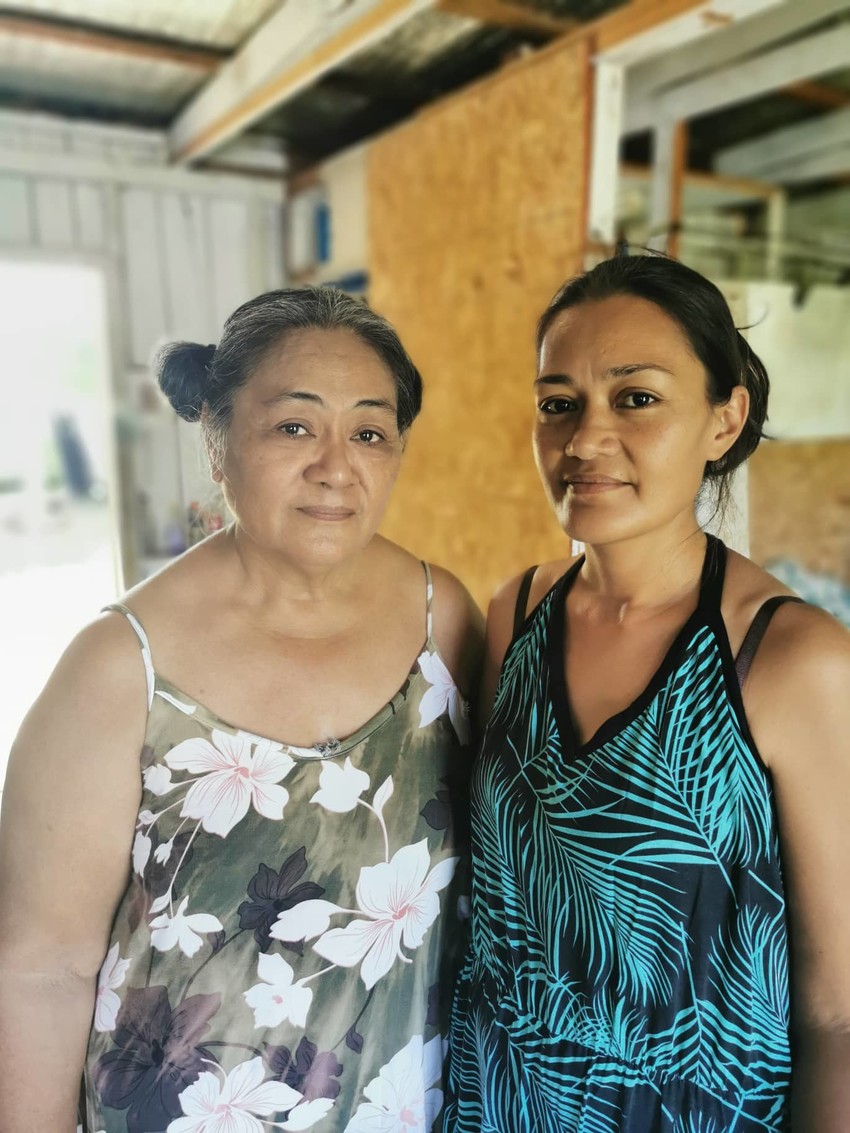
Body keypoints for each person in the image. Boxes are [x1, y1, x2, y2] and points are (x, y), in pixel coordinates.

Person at [0, 286, 483, 1133]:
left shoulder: (445, 620)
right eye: (294, 426)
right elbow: (42, 965)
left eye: (369, 431)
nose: (336, 465)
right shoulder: (119, 666)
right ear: (217, 443)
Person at [443, 253, 850, 1131]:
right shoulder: (514, 614)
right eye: (560, 404)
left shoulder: (789, 660)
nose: (585, 439)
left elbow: (838, 1012)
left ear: (724, 416)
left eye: (636, 398)